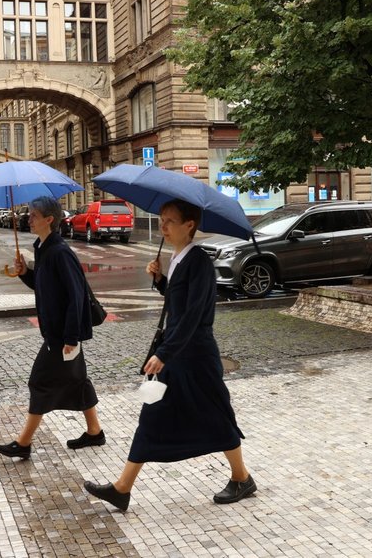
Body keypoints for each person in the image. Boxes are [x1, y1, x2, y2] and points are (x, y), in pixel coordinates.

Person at [84, 199, 255, 511]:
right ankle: (122, 488)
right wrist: (162, 281)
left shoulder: (199, 262)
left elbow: (191, 316)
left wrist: (164, 353)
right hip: (179, 354)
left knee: (217, 414)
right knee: (152, 415)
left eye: (169, 221)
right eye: (161, 220)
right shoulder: (178, 258)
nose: (162, 226)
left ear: (189, 225)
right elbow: (179, 304)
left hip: (196, 356)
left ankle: (241, 477)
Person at [0, 196, 104, 460]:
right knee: (77, 381)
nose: (28, 218)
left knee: (39, 382)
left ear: (49, 220)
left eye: (33, 215)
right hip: (58, 332)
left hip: (61, 335)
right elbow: (45, 289)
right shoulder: (43, 248)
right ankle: (94, 431)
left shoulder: (60, 252)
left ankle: (23, 442)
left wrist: (71, 337)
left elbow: (75, 296)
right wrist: (25, 273)